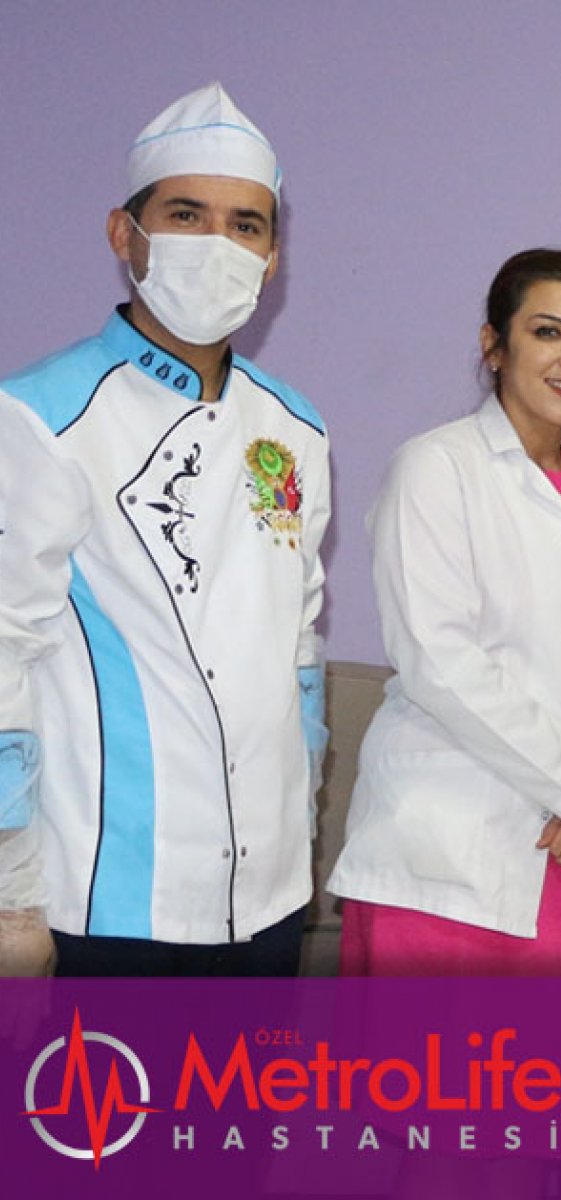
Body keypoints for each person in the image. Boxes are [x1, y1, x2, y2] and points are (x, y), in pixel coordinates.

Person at [0, 83, 329, 976]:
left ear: (272, 258)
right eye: (187, 215)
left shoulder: (295, 428)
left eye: (246, 224)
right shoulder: (41, 418)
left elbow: (298, 647)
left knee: (252, 1081)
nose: (217, 244)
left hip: (266, 895)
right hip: (106, 894)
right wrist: (10, 894)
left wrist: (298, 826)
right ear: (125, 234)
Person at [328, 249, 561, 975]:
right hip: (451, 860)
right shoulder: (436, 468)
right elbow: (440, 662)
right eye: (548, 332)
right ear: (494, 346)